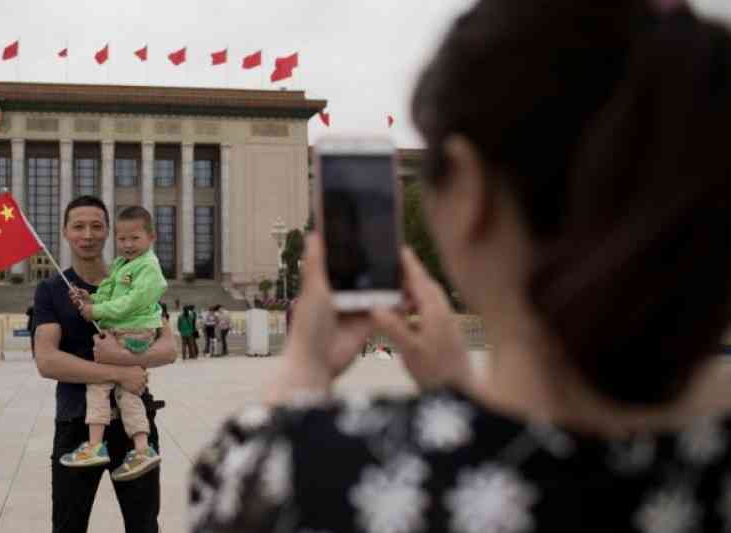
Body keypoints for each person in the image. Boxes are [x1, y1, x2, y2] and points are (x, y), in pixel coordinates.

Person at [188, 2, 731, 532]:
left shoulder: (321, 478)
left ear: (471, 193)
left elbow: (230, 495)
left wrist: (303, 365)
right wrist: (460, 389)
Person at [33, 195, 178, 533]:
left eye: (96, 226)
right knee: (69, 526)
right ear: (66, 233)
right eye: (78, 226)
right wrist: (120, 371)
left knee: (144, 526)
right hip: (77, 424)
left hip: (134, 426)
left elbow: (168, 348)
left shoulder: (135, 276)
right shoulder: (53, 289)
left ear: (109, 232)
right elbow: (48, 360)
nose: (88, 234)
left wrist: (122, 359)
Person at [61, 206, 167, 480]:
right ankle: (142, 448)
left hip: (133, 331)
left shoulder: (149, 268)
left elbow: (131, 302)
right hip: (123, 330)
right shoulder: (121, 265)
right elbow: (108, 291)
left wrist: (96, 312)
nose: (128, 245)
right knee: (126, 392)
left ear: (151, 238)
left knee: (98, 384)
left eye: (135, 238)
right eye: (122, 239)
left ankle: (95, 445)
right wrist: (91, 298)